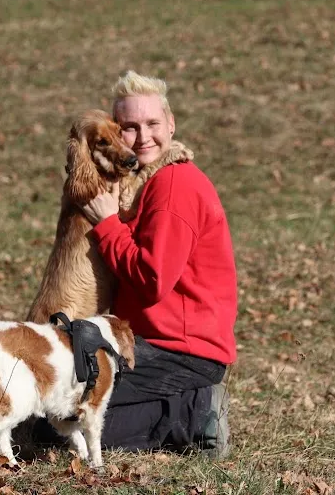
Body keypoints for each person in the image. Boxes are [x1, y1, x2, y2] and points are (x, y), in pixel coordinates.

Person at [77, 70, 238, 458]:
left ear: (171, 123)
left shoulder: (173, 186)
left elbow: (152, 280)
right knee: (56, 403)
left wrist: (108, 225)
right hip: (149, 341)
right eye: (129, 128)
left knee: (63, 428)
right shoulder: (148, 182)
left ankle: (192, 415)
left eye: (152, 123)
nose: (143, 136)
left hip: (182, 352)